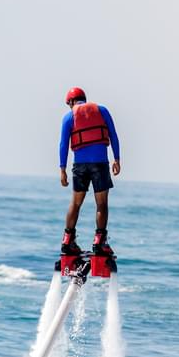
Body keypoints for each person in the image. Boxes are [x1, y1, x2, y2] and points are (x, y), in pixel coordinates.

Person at [59, 87, 121, 257]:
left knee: (76, 203)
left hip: (80, 166)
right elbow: (114, 135)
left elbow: (63, 144)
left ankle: (67, 240)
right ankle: (100, 242)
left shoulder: (69, 117)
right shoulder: (102, 110)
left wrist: (62, 169)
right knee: (101, 204)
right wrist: (117, 159)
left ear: (72, 102)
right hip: (100, 164)